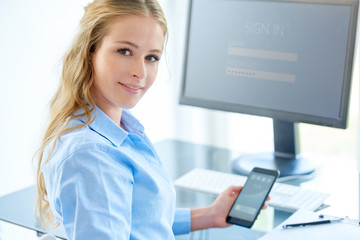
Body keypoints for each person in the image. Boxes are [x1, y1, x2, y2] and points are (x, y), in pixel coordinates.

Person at [34, 0, 251, 239]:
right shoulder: (92, 155)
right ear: (90, 50)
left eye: (152, 57)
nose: (141, 72)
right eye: (125, 51)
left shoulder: (120, 126)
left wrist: (210, 215)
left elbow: (140, 219)